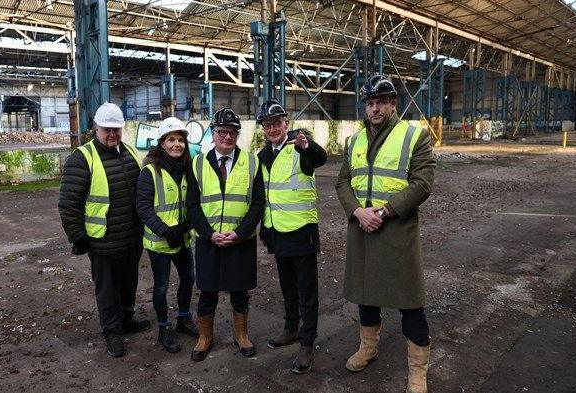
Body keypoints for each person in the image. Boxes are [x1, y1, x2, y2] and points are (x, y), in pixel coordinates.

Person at [335, 75, 436, 393]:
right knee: (367, 296)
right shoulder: (353, 141)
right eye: (369, 103)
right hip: (363, 230)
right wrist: (357, 211)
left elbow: (423, 184)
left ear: (394, 104)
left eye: (381, 102)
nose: (375, 108)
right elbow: (342, 183)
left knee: (410, 302)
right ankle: (369, 347)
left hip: (396, 232)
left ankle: (418, 372)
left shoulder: (414, 136)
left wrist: (384, 212)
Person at [58, 102, 151, 358]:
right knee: (107, 289)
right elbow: (68, 203)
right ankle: (111, 331)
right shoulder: (82, 158)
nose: (113, 135)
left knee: (129, 284)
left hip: (132, 237)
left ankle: (127, 320)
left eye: (117, 130)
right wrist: (77, 236)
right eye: (107, 130)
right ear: (96, 129)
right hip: (103, 241)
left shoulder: (130, 152)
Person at [186, 108, 265, 362]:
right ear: (213, 133)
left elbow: (257, 204)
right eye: (222, 132)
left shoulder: (252, 162)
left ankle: (241, 335)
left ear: (237, 135)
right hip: (209, 241)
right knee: (207, 291)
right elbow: (192, 205)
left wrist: (240, 233)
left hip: (239, 241)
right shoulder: (197, 163)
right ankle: (204, 338)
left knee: (239, 291)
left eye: (232, 132)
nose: (227, 137)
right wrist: (208, 234)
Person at [256, 99, 327, 374]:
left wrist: (307, 145)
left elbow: (319, 159)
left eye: (277, 123)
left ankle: (307, 344)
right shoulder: (263, 156)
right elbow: (265, 195)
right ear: (264, 128)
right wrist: (266, 228)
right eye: (268, 125)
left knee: (307, 292)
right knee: (287, 287)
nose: (273, 128)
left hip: (302, 232)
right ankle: (291, 327)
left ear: (286, 123)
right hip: (277, 233)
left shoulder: (300, 146)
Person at [136, 117, 199, 354]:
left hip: (182, 238)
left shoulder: (187, 169)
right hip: (159, 242)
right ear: (162, 143)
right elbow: (143, 208)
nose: (177, 144)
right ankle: (164, 328)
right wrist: (165, 231)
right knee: (161, 287)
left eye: (181, 140)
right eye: (171, 139)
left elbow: (195, 203)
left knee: (188, 280)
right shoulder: (150, 172)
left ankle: (183, 319)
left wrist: (182, 228)